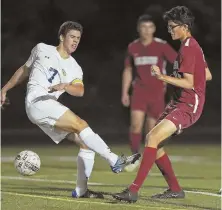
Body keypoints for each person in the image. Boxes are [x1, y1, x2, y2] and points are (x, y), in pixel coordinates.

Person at [1, 21, 140, 198]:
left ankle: (81, 190)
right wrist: (4, 89)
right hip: (38, 102)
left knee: (85, 143)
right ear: (61, 37)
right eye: (72, 37)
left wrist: (66, 86)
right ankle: (115, 160)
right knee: (81, 124)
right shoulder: (42, 49)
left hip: (48, 108)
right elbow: (24, 70)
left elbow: (80, 91)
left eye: (78, 38)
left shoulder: (75, 67)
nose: (75, 41)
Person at [114, 6, 212, 202]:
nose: (170, 30)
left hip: (187, 105)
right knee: (156, 145)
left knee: (151, 137)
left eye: (172, 27)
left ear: (184, 27)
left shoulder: (188, 48)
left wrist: (162, 77)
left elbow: (190, 83)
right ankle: (175, 189)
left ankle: (133, 190)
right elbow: (207, 75)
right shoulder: (189, 46)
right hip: (179, 103)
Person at [122, 14, 177, 172]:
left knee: (151, 131)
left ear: (154, 29)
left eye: (149, 27)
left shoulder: (162, 45)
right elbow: (127, 69)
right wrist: (125, 92)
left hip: (157, 93)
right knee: (135, 125)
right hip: (139, 92)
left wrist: (174, 83)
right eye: (143, 27)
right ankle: (134, 157)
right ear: (139, 29)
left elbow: (177, 63)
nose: (146, 30)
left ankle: (149, 159)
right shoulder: (133, 47)